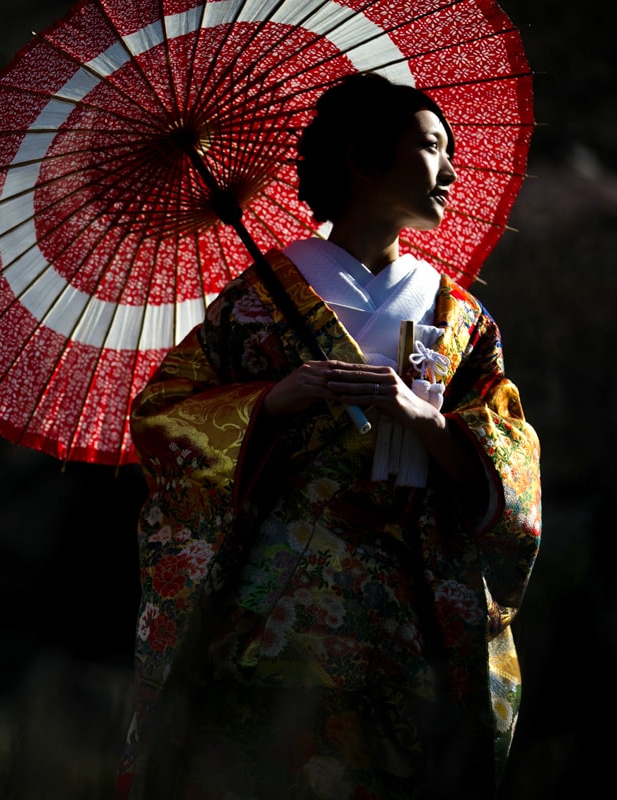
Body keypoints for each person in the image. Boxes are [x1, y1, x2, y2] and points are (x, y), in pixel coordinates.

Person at [114, 73, 541, 799]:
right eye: (432, 147)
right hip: (282, 603)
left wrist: (430, 421)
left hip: (415, 604)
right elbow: (165, 416)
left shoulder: (461, 316)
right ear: (364, 159)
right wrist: (268, 402)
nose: (451, 170)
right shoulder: (259, 299)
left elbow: (512, 453)